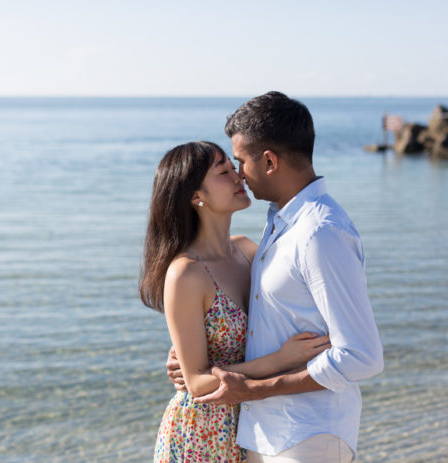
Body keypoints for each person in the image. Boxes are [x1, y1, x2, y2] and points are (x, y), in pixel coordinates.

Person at [166, 92, 384, 463]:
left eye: (240, 161)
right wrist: (190, 359)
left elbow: (361, 356)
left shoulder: (319, 233)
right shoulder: (278, 227)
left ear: (269, 161)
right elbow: (252, 316)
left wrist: (258, 388)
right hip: (265, 434)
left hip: (308, 434)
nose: (238, 174)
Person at [140, 141, 331, 462]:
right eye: (224, 172)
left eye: (234, 167)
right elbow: (198, 383)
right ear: (196, 196)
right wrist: (281, 360)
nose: (239, 176)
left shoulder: (247, 250)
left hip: (258, 424)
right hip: (202, 431)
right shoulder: (186, 273)